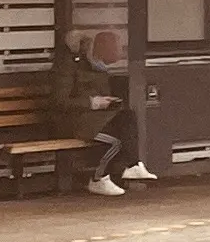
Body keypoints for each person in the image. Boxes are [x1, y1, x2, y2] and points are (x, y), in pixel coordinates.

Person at [61, 28, 153, 198]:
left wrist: (106, 101)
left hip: (92, 118)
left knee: (127, 116)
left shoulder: (96, 68)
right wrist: (92, 102)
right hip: (72, 121)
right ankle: (98, 179)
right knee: (115, 142)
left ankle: (133, 164)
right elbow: (60, 102)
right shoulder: (67, 68)